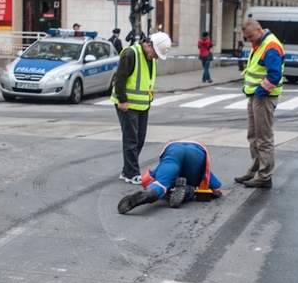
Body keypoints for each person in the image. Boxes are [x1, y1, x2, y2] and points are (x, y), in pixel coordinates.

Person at [111, 32, 172, 184]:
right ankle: (132, 173)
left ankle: (127, 171)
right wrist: (122, 100)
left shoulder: (151, 58)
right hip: (127, 104)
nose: (156, 57)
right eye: (156, 53)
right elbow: (120, 78)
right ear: (148, 45)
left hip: (143, 104)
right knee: (131, 139)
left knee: (140, 139)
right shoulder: (131, 54)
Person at [234, 18, 284, 189]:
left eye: (250, 36)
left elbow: (274, 75)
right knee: (254, 136)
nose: (249, 41)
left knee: (263, 138)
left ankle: (264, 175)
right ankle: (256, 170)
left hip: (263, 98)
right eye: (246, 38)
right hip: (257, 96)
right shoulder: (261, 44)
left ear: (259, 29)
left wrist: (259, 91)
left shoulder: (270, 46)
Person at [118, 141, 222, 214]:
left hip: (173, 150)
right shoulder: (201, 162)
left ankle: (149, 193)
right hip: (197, 153)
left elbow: (146, 179)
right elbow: (216, 188)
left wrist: (160, 189)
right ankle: (188, 190)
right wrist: (214, 192)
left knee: (161, 183)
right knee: (193, 186)